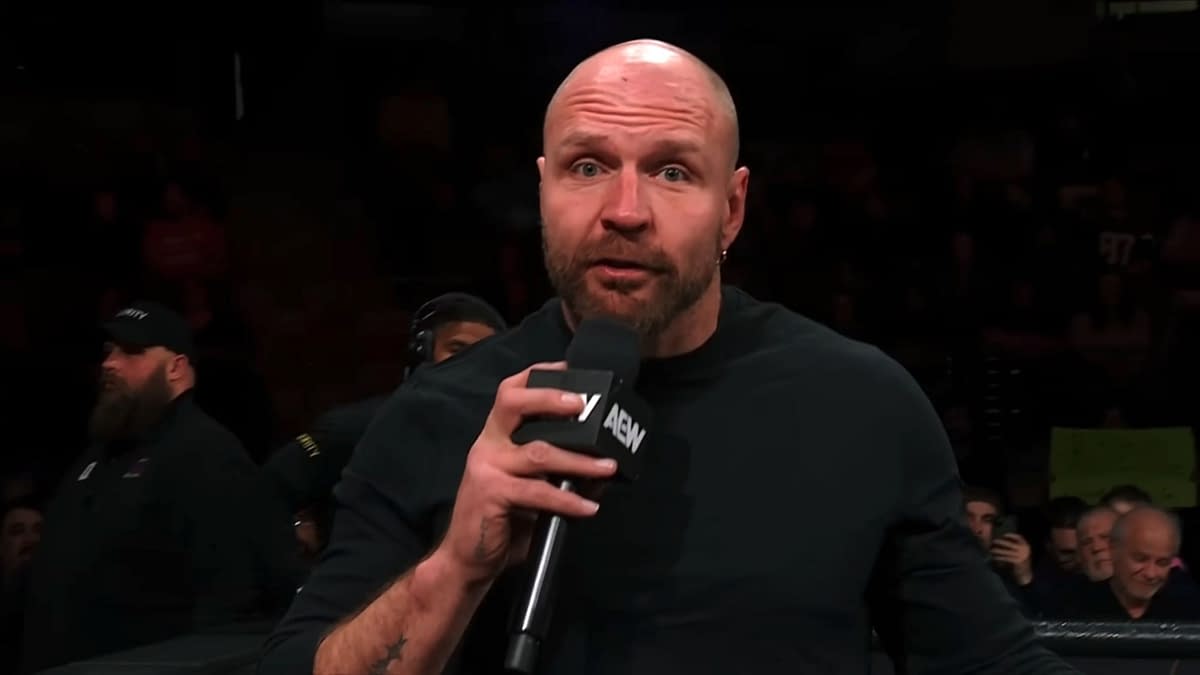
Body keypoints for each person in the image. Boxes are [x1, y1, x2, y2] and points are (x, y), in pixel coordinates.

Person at [261, 40, 1076, 674]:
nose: (625, 210)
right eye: (588, 167)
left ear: (733, 208)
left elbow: (988, 658)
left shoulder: (861, 403)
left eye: (672, 171)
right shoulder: (439, 410)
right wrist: (454, 571)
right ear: (543, 190)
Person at [20, 301, 304, 673]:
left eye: (131, 352)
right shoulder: (98, 456)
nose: (110, 363)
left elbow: (230, 606)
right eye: (109, 352)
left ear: (177, 368)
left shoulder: (205, 454)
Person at [262, 293, 506, 554]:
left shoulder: (500, 443)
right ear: (422, 352)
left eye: (484, 357)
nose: (471, 365)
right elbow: (266, 491)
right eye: (458, 350)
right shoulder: (354, 427)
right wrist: (292, 548)